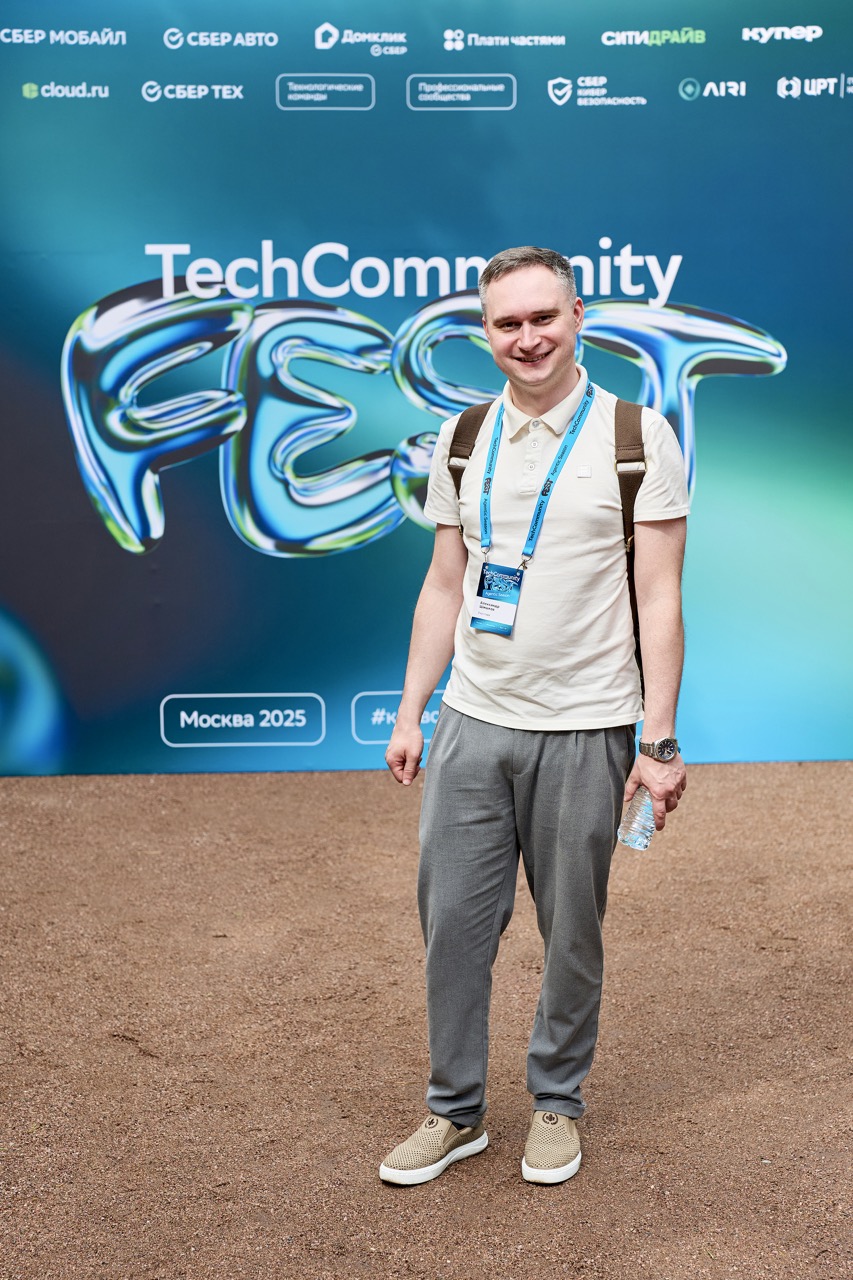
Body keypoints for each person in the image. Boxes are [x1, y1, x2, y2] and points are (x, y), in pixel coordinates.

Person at [379, 246, 688, 1187]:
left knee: (571, 934)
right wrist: (412, 710)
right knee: (452, 930)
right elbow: (444, 583)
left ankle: (556, 1102)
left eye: (542, 317)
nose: (527, 338)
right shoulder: (461, 437)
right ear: (485, 333)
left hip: (588, 726)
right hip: (471, 723)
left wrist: (658, 741)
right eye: (506, 323)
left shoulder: (637, 437)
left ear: (576, 316)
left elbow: (660, 598)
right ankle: (454, 1112)